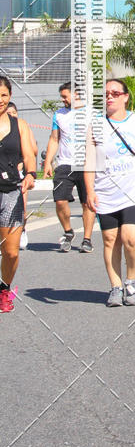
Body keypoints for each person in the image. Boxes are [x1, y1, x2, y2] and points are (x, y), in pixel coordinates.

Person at [84, 79, 135, 307]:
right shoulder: (96, 125)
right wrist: (90, 191)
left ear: (125, 97)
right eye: (107, 93)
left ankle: (131, 281)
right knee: (110, 239)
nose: (110, 96)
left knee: (131, 237)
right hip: (105, 191)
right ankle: (115, 286)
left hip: (134, 190)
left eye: (115, 93)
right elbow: (90, 161)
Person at [43, 81, 95, 253]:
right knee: (60, 200)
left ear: (76, 95)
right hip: (65, 163)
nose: (62, 100)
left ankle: (87, 239)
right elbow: (54, 139)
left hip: (86, 164)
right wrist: (48, 162)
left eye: (65, 96)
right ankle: (68, 231)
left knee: (87, 203)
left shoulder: (92, 114)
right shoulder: (59, 115)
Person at [0, 77, 36, 313]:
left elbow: (29, 154)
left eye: (3, 95)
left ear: (10, 96)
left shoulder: (19, 124)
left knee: (11, 251)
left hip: (11, 191)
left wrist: (31, 174)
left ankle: (4, 288)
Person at [6, 102, 37, 250]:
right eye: (9, 112)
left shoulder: (21, 126)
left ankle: (21, 230)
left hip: (18, 173)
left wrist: (30, 173)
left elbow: (33, 151)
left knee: (21, 207)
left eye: (14, 112)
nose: (11, 114)